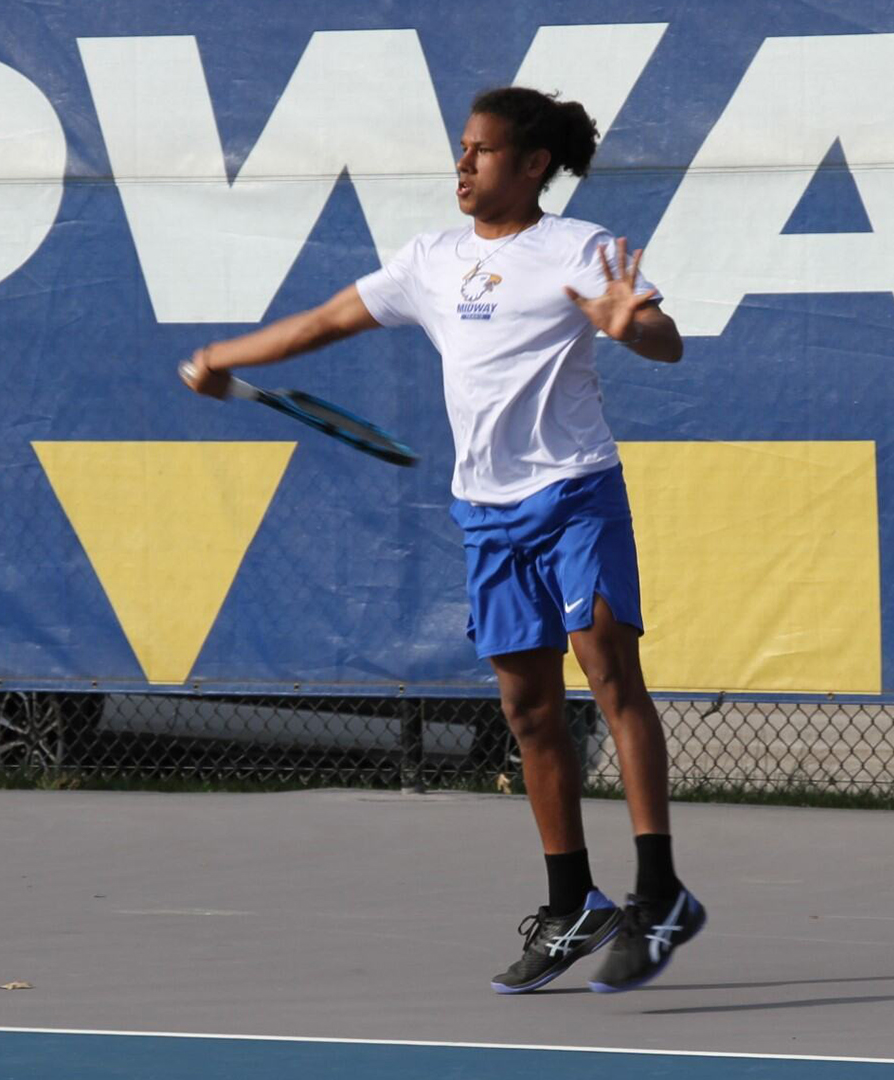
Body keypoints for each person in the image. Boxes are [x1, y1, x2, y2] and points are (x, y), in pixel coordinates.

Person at [182, 86, 703, 994]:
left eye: (482, 152)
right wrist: (229, 356)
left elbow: (665, 341)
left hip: (576, 493)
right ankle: (574, 902)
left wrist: (636, 326)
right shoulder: (429, 261)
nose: (462, 166)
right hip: (488, 515)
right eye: (461, 150)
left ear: (532, 165)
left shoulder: (576, 249)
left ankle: (658, 891)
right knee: (530, 713)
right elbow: (319, 323)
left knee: (610, 674)